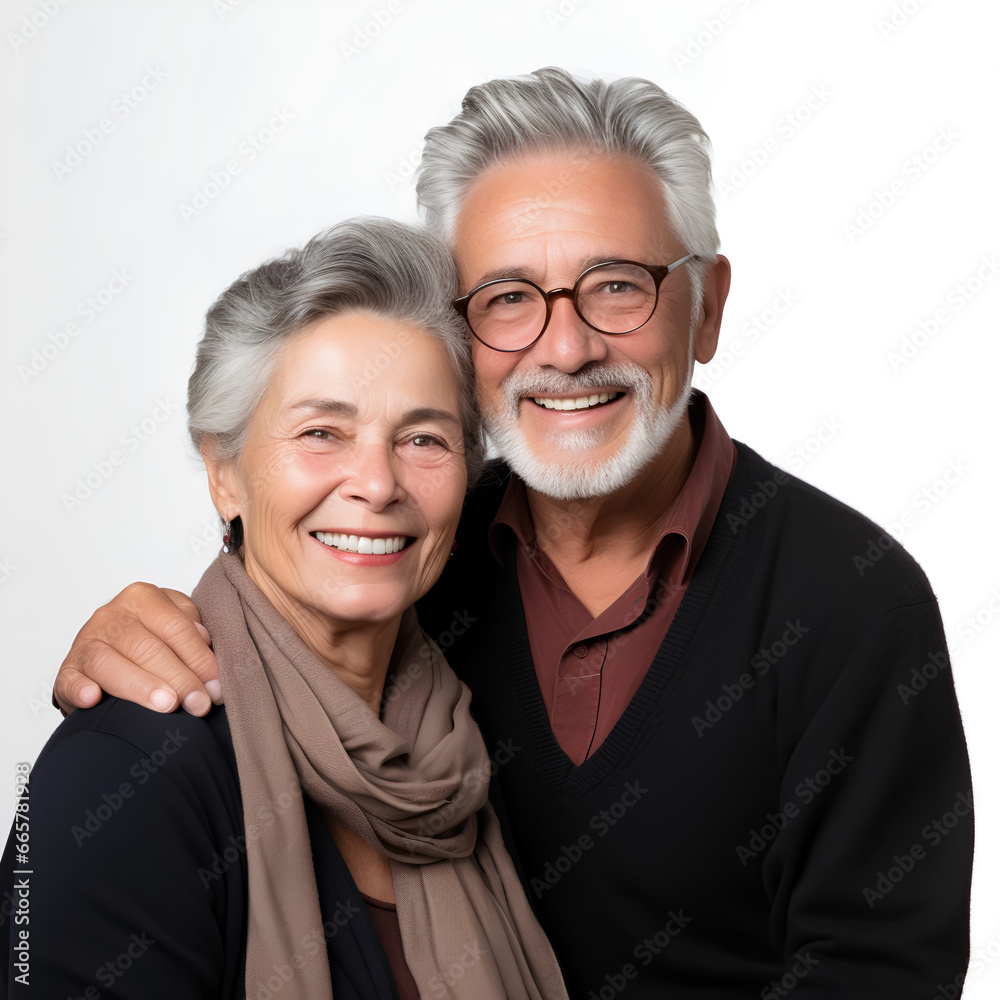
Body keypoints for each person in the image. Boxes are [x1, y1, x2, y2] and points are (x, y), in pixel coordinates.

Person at [50, 69, 973, 998]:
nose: (565, 348)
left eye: (617, 286)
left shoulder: (850, 603)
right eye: (507, 297)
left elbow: (877, 974)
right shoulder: (414, 563)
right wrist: (144, 627)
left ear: (709, 306)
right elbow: (275, 619)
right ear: (461, 334)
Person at [1, 218, 569, 1000]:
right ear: (224, 474)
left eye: (425, 440)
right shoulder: (123, 772)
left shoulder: (456, 757)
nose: (377, 484)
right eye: (322, 431)